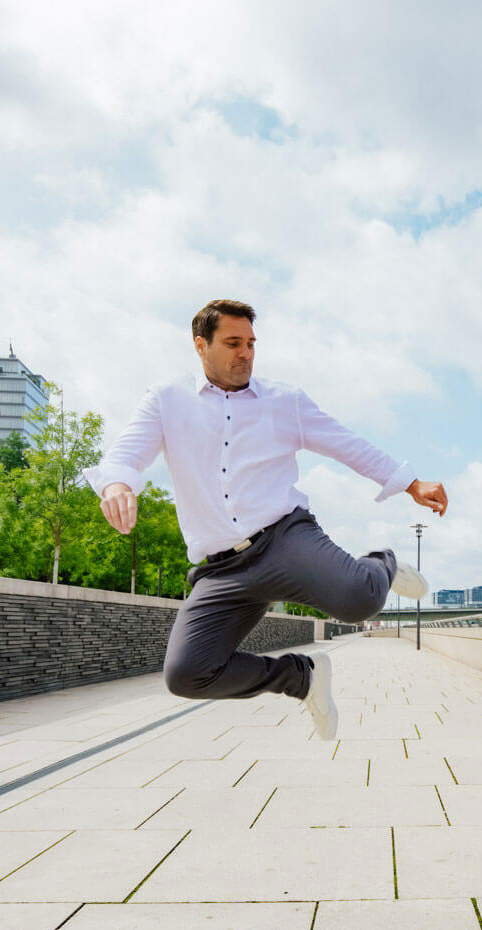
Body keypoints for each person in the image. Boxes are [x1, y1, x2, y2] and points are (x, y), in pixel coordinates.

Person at [83, 299, 447, 740]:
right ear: (201, 346)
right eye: (233, 343)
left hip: (284, 540)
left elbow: (346, 443)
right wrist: (117, 485)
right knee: (186, 674)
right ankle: (301, 677)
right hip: (221, 569)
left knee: (360, 600)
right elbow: (125, 454)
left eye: (251, 343)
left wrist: (411, 484)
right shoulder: (167, 400)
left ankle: (382, 563)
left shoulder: (284, 401)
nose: (246, 353)